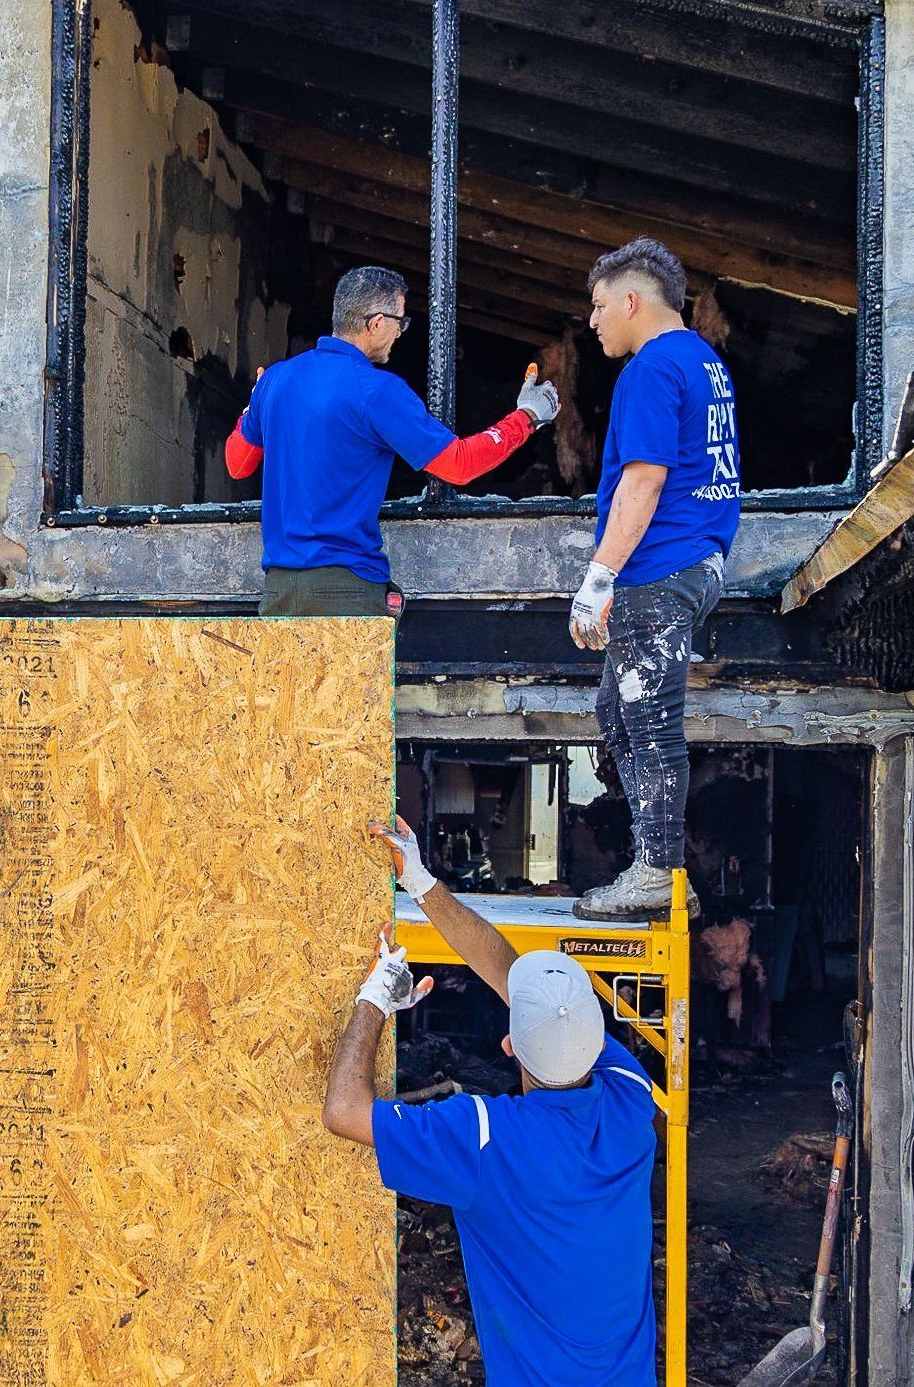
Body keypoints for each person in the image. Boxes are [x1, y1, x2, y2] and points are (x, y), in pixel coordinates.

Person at [324, 817, 658, 1387]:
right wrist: (423, 884)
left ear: (508, 1045)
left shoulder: (484, 1140)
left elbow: (343, 1111)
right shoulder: (631, 1103)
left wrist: (376, 995)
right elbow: (520, 987)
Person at [225, 265, 561, 615]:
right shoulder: (376, 391)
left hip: (278, 590)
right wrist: (526, 418)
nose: (401, 333)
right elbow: (460, 465)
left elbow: (237, 464)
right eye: (401, 322)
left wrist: (252, 406)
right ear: (376, 323)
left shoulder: (275, 380)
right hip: (347, 592)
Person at [568, 238, 740, 921]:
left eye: (600, 304)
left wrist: (598, 577)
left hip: (657, 568)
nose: (593, 319)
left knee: (648, 720)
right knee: (618, 711)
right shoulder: (704, 363)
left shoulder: (648, 370)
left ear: (632, 301)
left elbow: (643, 479)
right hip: (695, 564)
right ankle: (663, 869)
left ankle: (655, 870)